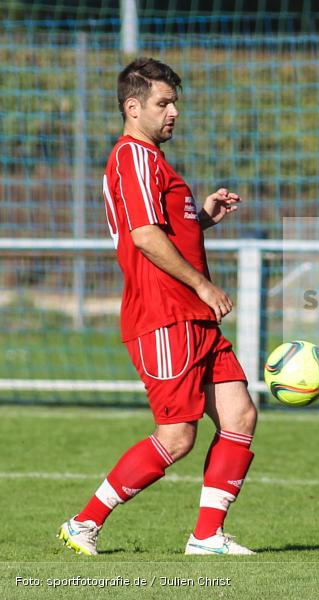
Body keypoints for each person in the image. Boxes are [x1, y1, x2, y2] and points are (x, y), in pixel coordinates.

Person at [58, 58, 257, 556]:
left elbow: (164, 230)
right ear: (133, 107)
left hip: (193, 316)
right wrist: (204, 286)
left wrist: (202, 217)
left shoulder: (154, 161)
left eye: (175, 103)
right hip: (164, 316)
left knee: (239, 415)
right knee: (176, 437)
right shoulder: (131, 157)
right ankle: (84, 522)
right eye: (163, 103)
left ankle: (207, 536)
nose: (174, 112)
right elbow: (144, 237)